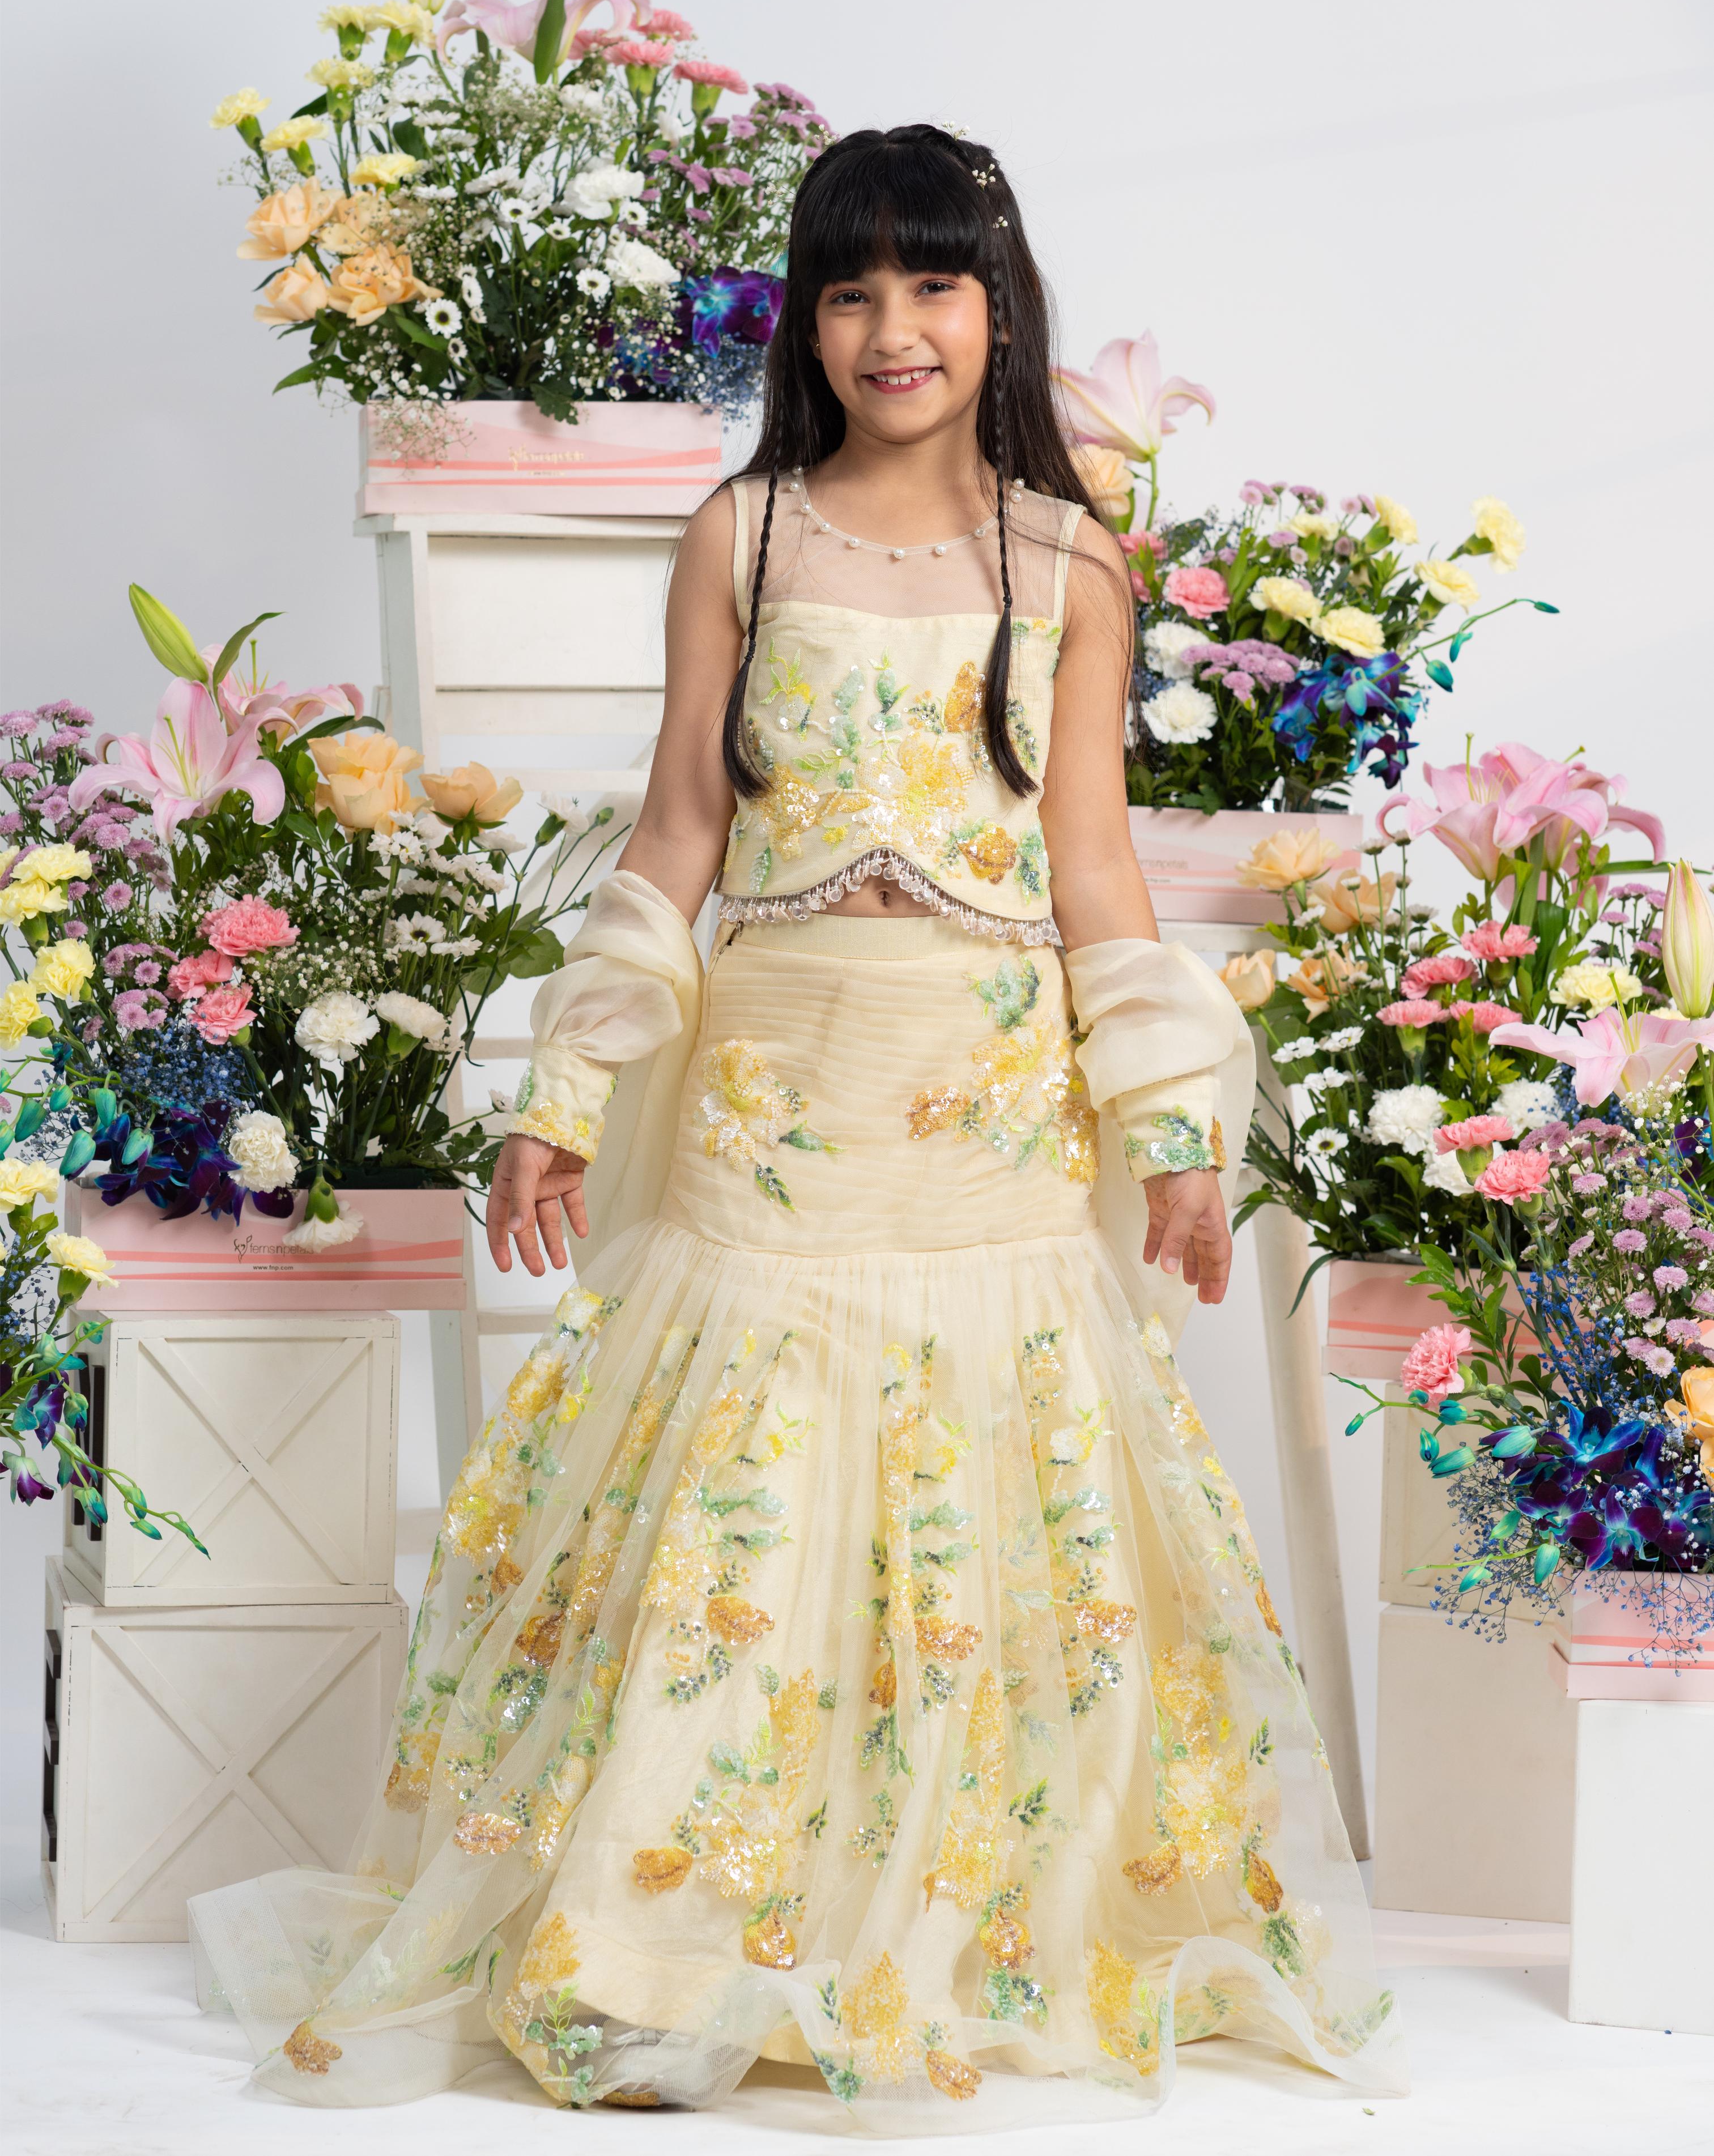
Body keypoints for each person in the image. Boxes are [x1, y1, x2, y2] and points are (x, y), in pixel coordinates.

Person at [190, 124, 1401, 2124]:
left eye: (932, 285)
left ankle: (959, 1926)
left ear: (998, 309)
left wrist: (1177, 1134)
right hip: (773, 1090)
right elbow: (681, 819)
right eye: (849, 290)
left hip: (986, 1103)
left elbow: (1095, 867)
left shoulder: (1067, 555)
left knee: (983, 1506)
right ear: (805, 323)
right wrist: (565, 1088)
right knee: (743, 1506)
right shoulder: (742, 534)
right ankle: (654, 1943)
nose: (891, 328)